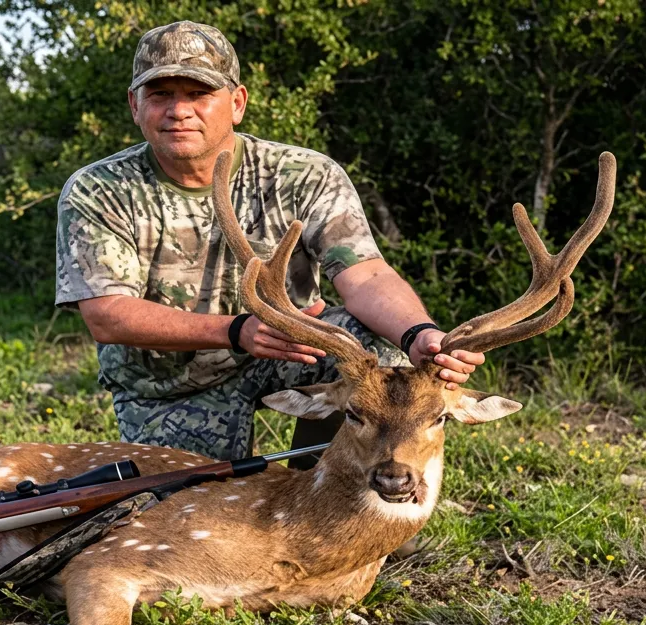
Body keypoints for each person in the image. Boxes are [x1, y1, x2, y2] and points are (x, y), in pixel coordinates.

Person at [55, 20, 487, 462]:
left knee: (370, 346)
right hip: (168, 385)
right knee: (192, 506)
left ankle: (323, 487)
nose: (179, 111)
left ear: (237, 102)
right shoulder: (99, 188)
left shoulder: (304, 174)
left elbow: (365, 274)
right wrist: (236, 331)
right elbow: (107, 316)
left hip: (289, 351)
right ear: (134, 105)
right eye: (160, 94)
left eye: (199, 94)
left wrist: (420, 334)